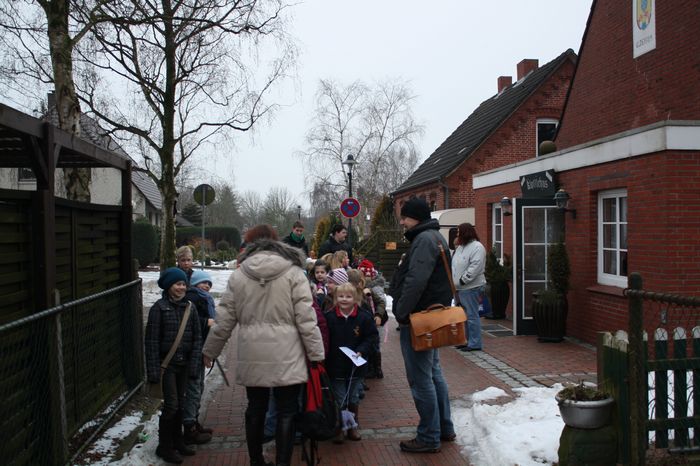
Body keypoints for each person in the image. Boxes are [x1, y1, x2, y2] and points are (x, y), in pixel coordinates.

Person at [201, 224, 325, 466]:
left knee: (255, 408)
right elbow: (306, 318)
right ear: (276, 243)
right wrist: (316, 354)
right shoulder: (294, 274)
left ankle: (256, 461)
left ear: (250, 244)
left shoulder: (239, 276)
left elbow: (224, 318)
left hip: (253, 353)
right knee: (287, 410)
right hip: (287, 353)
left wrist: (210, 350)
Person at [390, 197, 456, 454]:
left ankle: (429, 436)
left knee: (421, 379)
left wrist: (401, 312)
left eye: (405, 218)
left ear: (415, 217)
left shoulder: (424, 240)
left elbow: (415, 282)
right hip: (431, 317)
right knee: (434, 374)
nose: (402, 223)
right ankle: (444, 427)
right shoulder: (435, 237)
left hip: (419, 319)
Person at [145, 267, 202, 464]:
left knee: (181, 404)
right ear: (169, 286)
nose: (182, 288)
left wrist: (194, 366)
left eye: (184, 284)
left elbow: (197, 339)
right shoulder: (159, 309)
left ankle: (178, 442)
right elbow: (151, 342)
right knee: (171, 405)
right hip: (167, 366)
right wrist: (153, 371)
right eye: (178, 284)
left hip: (184, 365)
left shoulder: (190, 308)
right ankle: (165, 446)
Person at [324, 282, 378, 443]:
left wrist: (362, 350)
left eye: (348, 296)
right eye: (341, 296)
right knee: (340, 397)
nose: (344, 299)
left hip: (356, 365)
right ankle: (340, 427)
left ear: (355, 298)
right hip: (336, 365)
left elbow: (372, 337)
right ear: (335, 298)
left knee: (353, 396)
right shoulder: (329, 317)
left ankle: (353, 426)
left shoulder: (364, 317)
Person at [182, 270, 216, 444]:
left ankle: (194, 421)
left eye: (209, 283)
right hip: (193, 351)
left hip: (200, 348)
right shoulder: (193, 298)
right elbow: (189, 323)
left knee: (198, 386)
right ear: (195, 284)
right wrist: (206, 322)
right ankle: (190, 428)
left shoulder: (204, 299)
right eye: (203, 282)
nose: (207, 286)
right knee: (194, 388)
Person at [452, 223, 487, 352]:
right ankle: (466, 340)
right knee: (463, 317)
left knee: (471, 316)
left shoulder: (477, 247)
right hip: (459, 288)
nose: (456, 235)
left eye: (458, 232)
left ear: (465, 233)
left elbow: (475, 267)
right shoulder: (460, 247)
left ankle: (475, 343)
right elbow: (455, 265)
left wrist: (462, 280)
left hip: (471, 287)